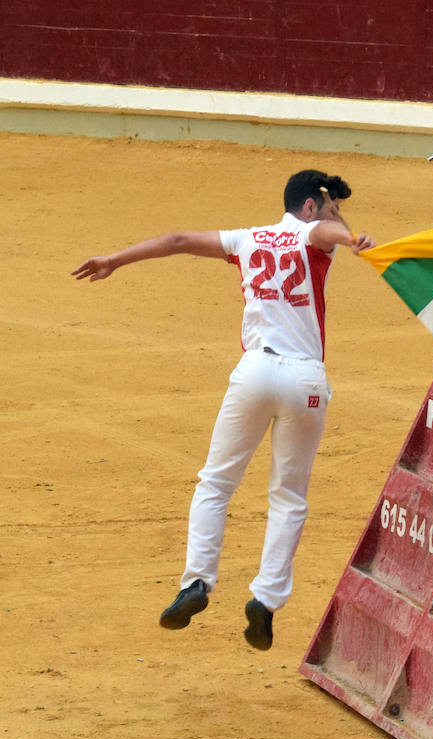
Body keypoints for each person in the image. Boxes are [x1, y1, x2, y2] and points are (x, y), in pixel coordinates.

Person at [72, 169, 374, 650]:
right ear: (312, 205)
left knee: (216, 483)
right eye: (333, 205)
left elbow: (176, 239)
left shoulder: (247, 239)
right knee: (289, 497)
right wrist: (353, 237)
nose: (339, 215)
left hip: (254, 373)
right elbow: (326, 233)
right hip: (305, 381)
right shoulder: (315, 232)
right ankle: (266, 599)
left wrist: (114, 259)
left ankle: (196, 582)